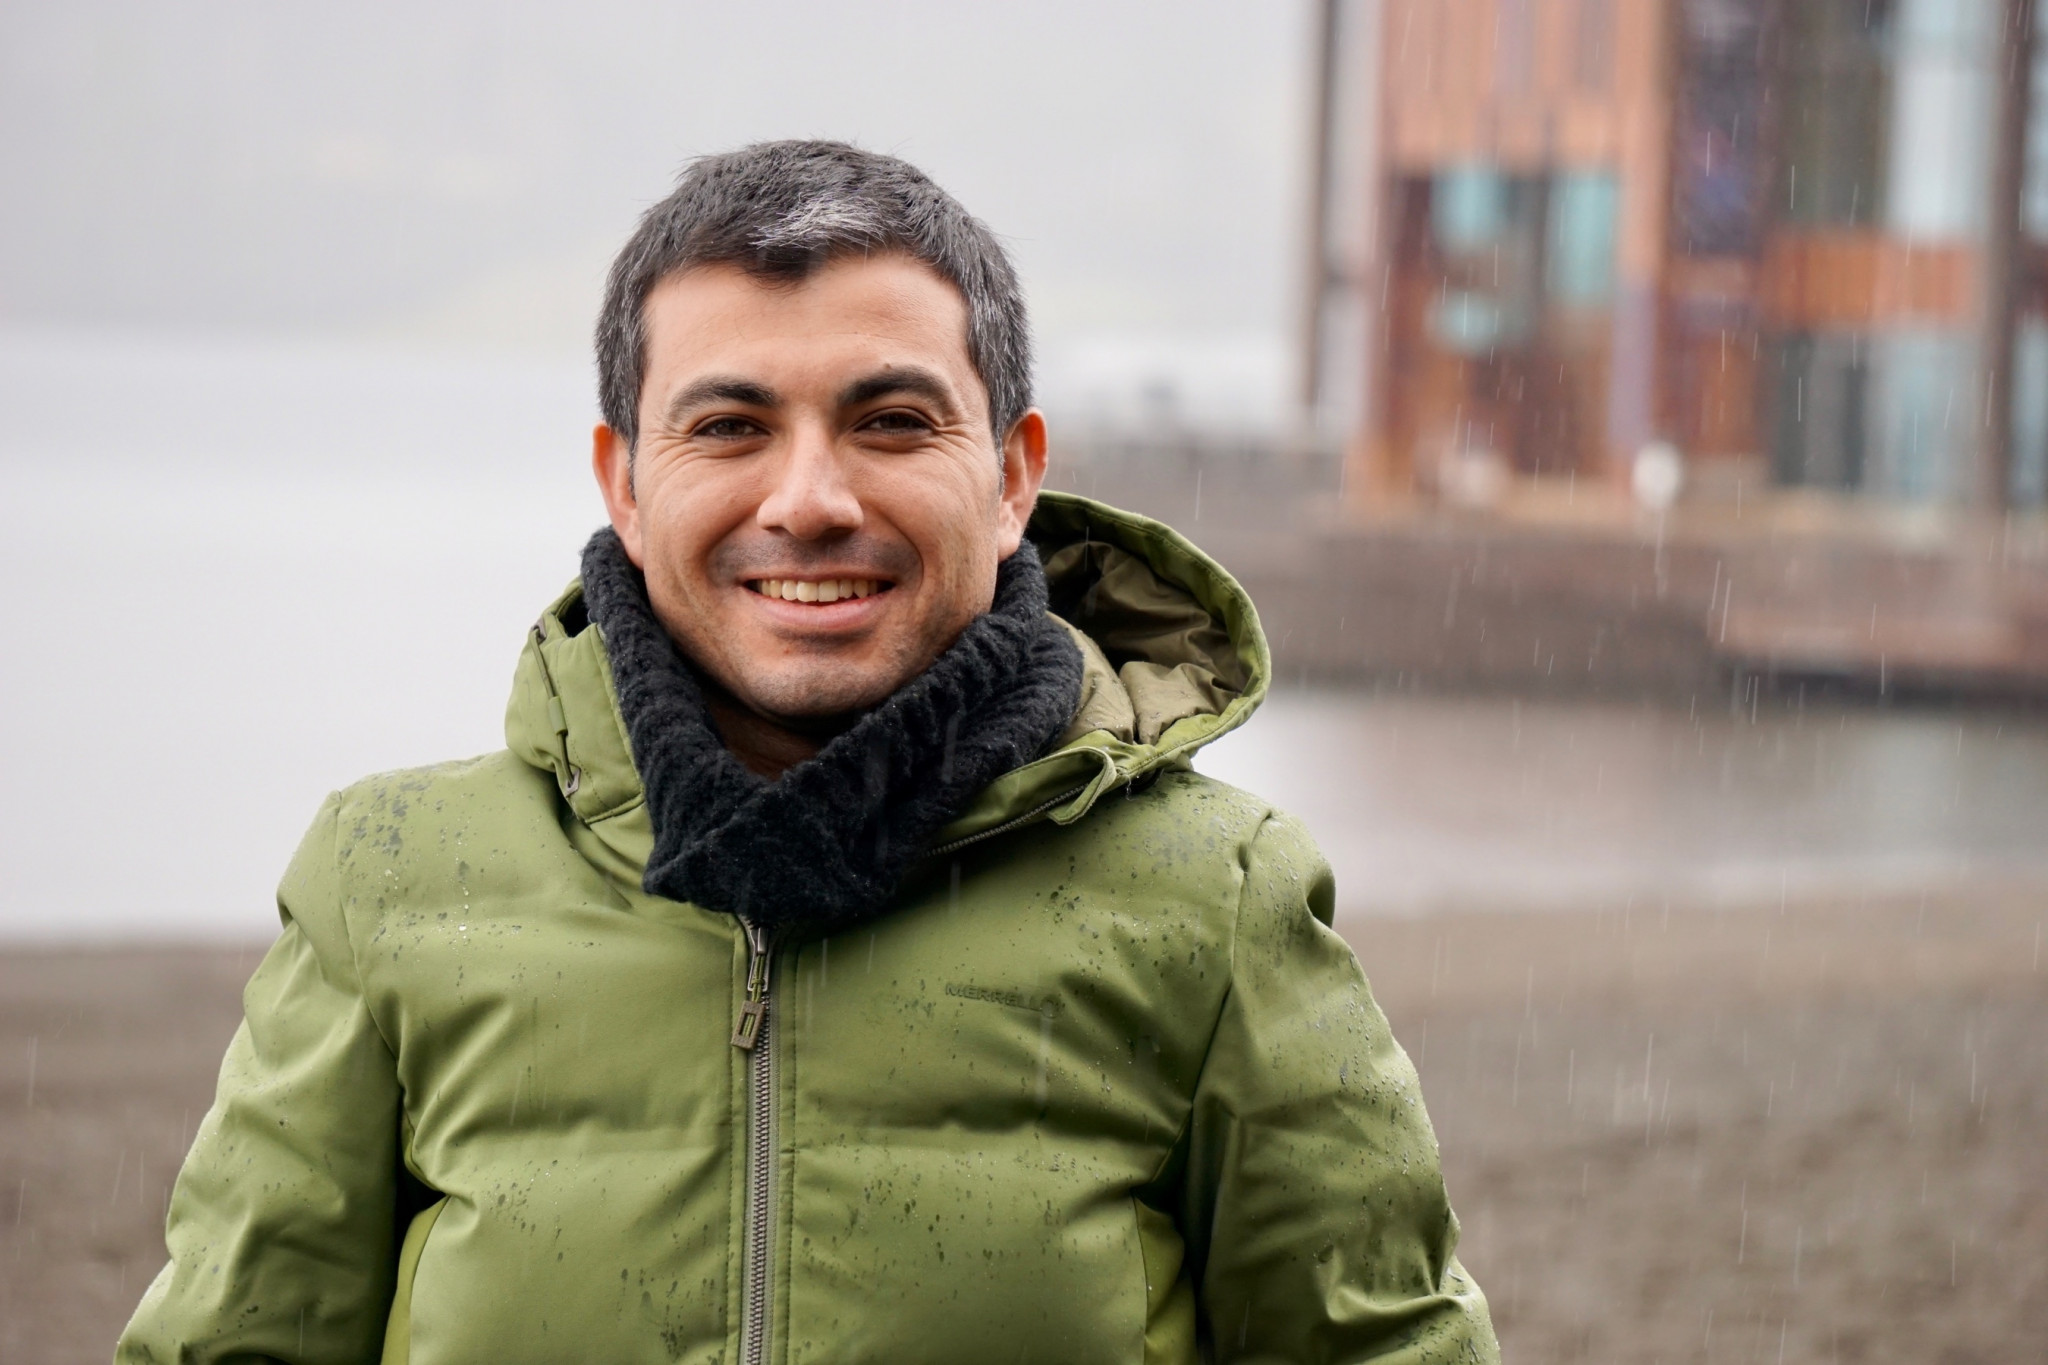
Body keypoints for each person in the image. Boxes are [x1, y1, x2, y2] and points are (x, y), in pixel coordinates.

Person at [118, 140, 1497, 1365]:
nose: (811, 499)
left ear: (1013, 476)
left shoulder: (1218, 895)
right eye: (730, 426)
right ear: (625, 483)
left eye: (891, 421)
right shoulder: (388, 878)